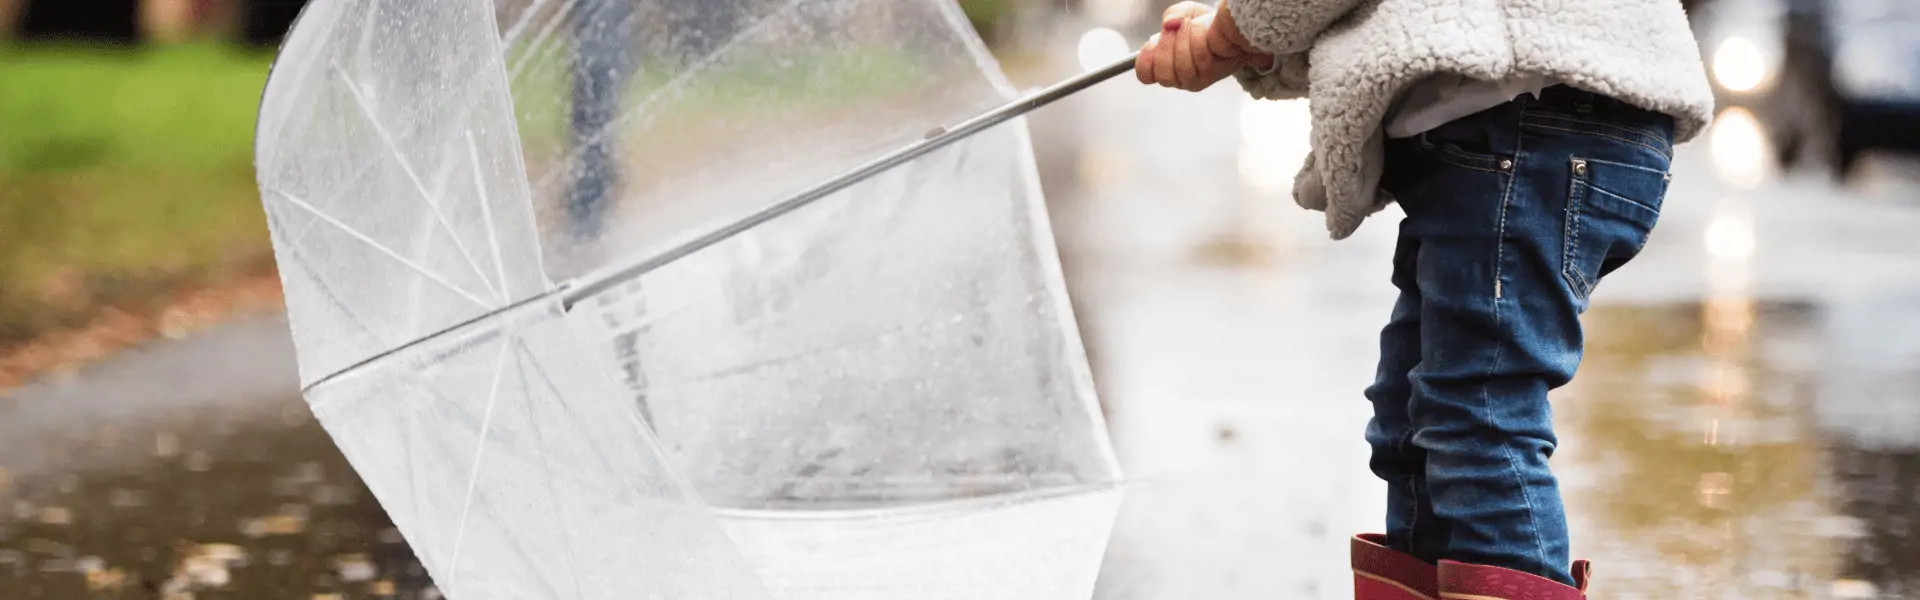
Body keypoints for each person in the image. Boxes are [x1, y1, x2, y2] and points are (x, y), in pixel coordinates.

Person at [1134, 1, 1713, 598]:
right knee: (1414, 420)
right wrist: (1248, 39)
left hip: (1525, 113)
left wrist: (1233, 29)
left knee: (1478, 417)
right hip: (1519, 116)